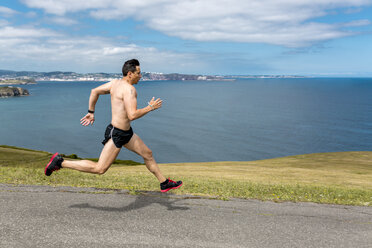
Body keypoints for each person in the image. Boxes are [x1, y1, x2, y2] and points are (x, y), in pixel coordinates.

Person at [44, 59, 182, 193]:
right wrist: (150, 107)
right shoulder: (129, 90)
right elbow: (132, 115)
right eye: (138, 73)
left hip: (126, 132)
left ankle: (164, 183)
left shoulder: (115, 83)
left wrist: (91, 112)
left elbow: (94, 91)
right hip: (117, 134)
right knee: (100, 169)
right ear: (130, 74)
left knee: (148, 154)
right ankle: (60, 163)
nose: (140, 76)